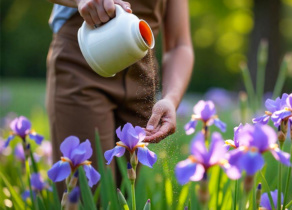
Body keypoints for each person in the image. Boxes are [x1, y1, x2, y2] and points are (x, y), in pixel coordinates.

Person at [46, 0, 194, 196]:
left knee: (123, 195)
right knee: (87, 197)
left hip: (142, 81)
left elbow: (178, 44)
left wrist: (171, 99)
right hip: (84, 60)